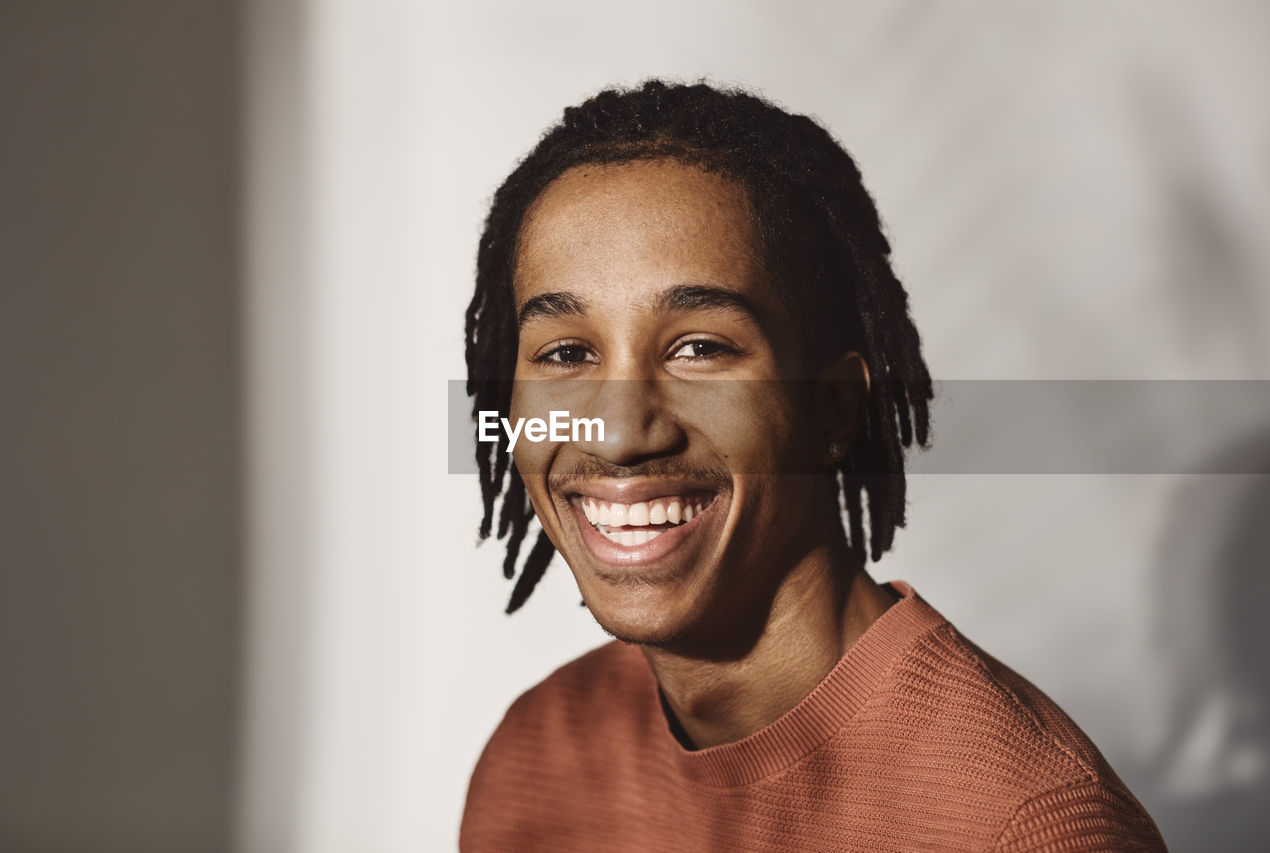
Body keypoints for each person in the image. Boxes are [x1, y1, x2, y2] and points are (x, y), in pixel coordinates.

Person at [459, 80, 1166, 851]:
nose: (622, 432)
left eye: (700, 347)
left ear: (831, 408)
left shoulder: (1026, 824)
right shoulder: (536, 757)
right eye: (566, 353)